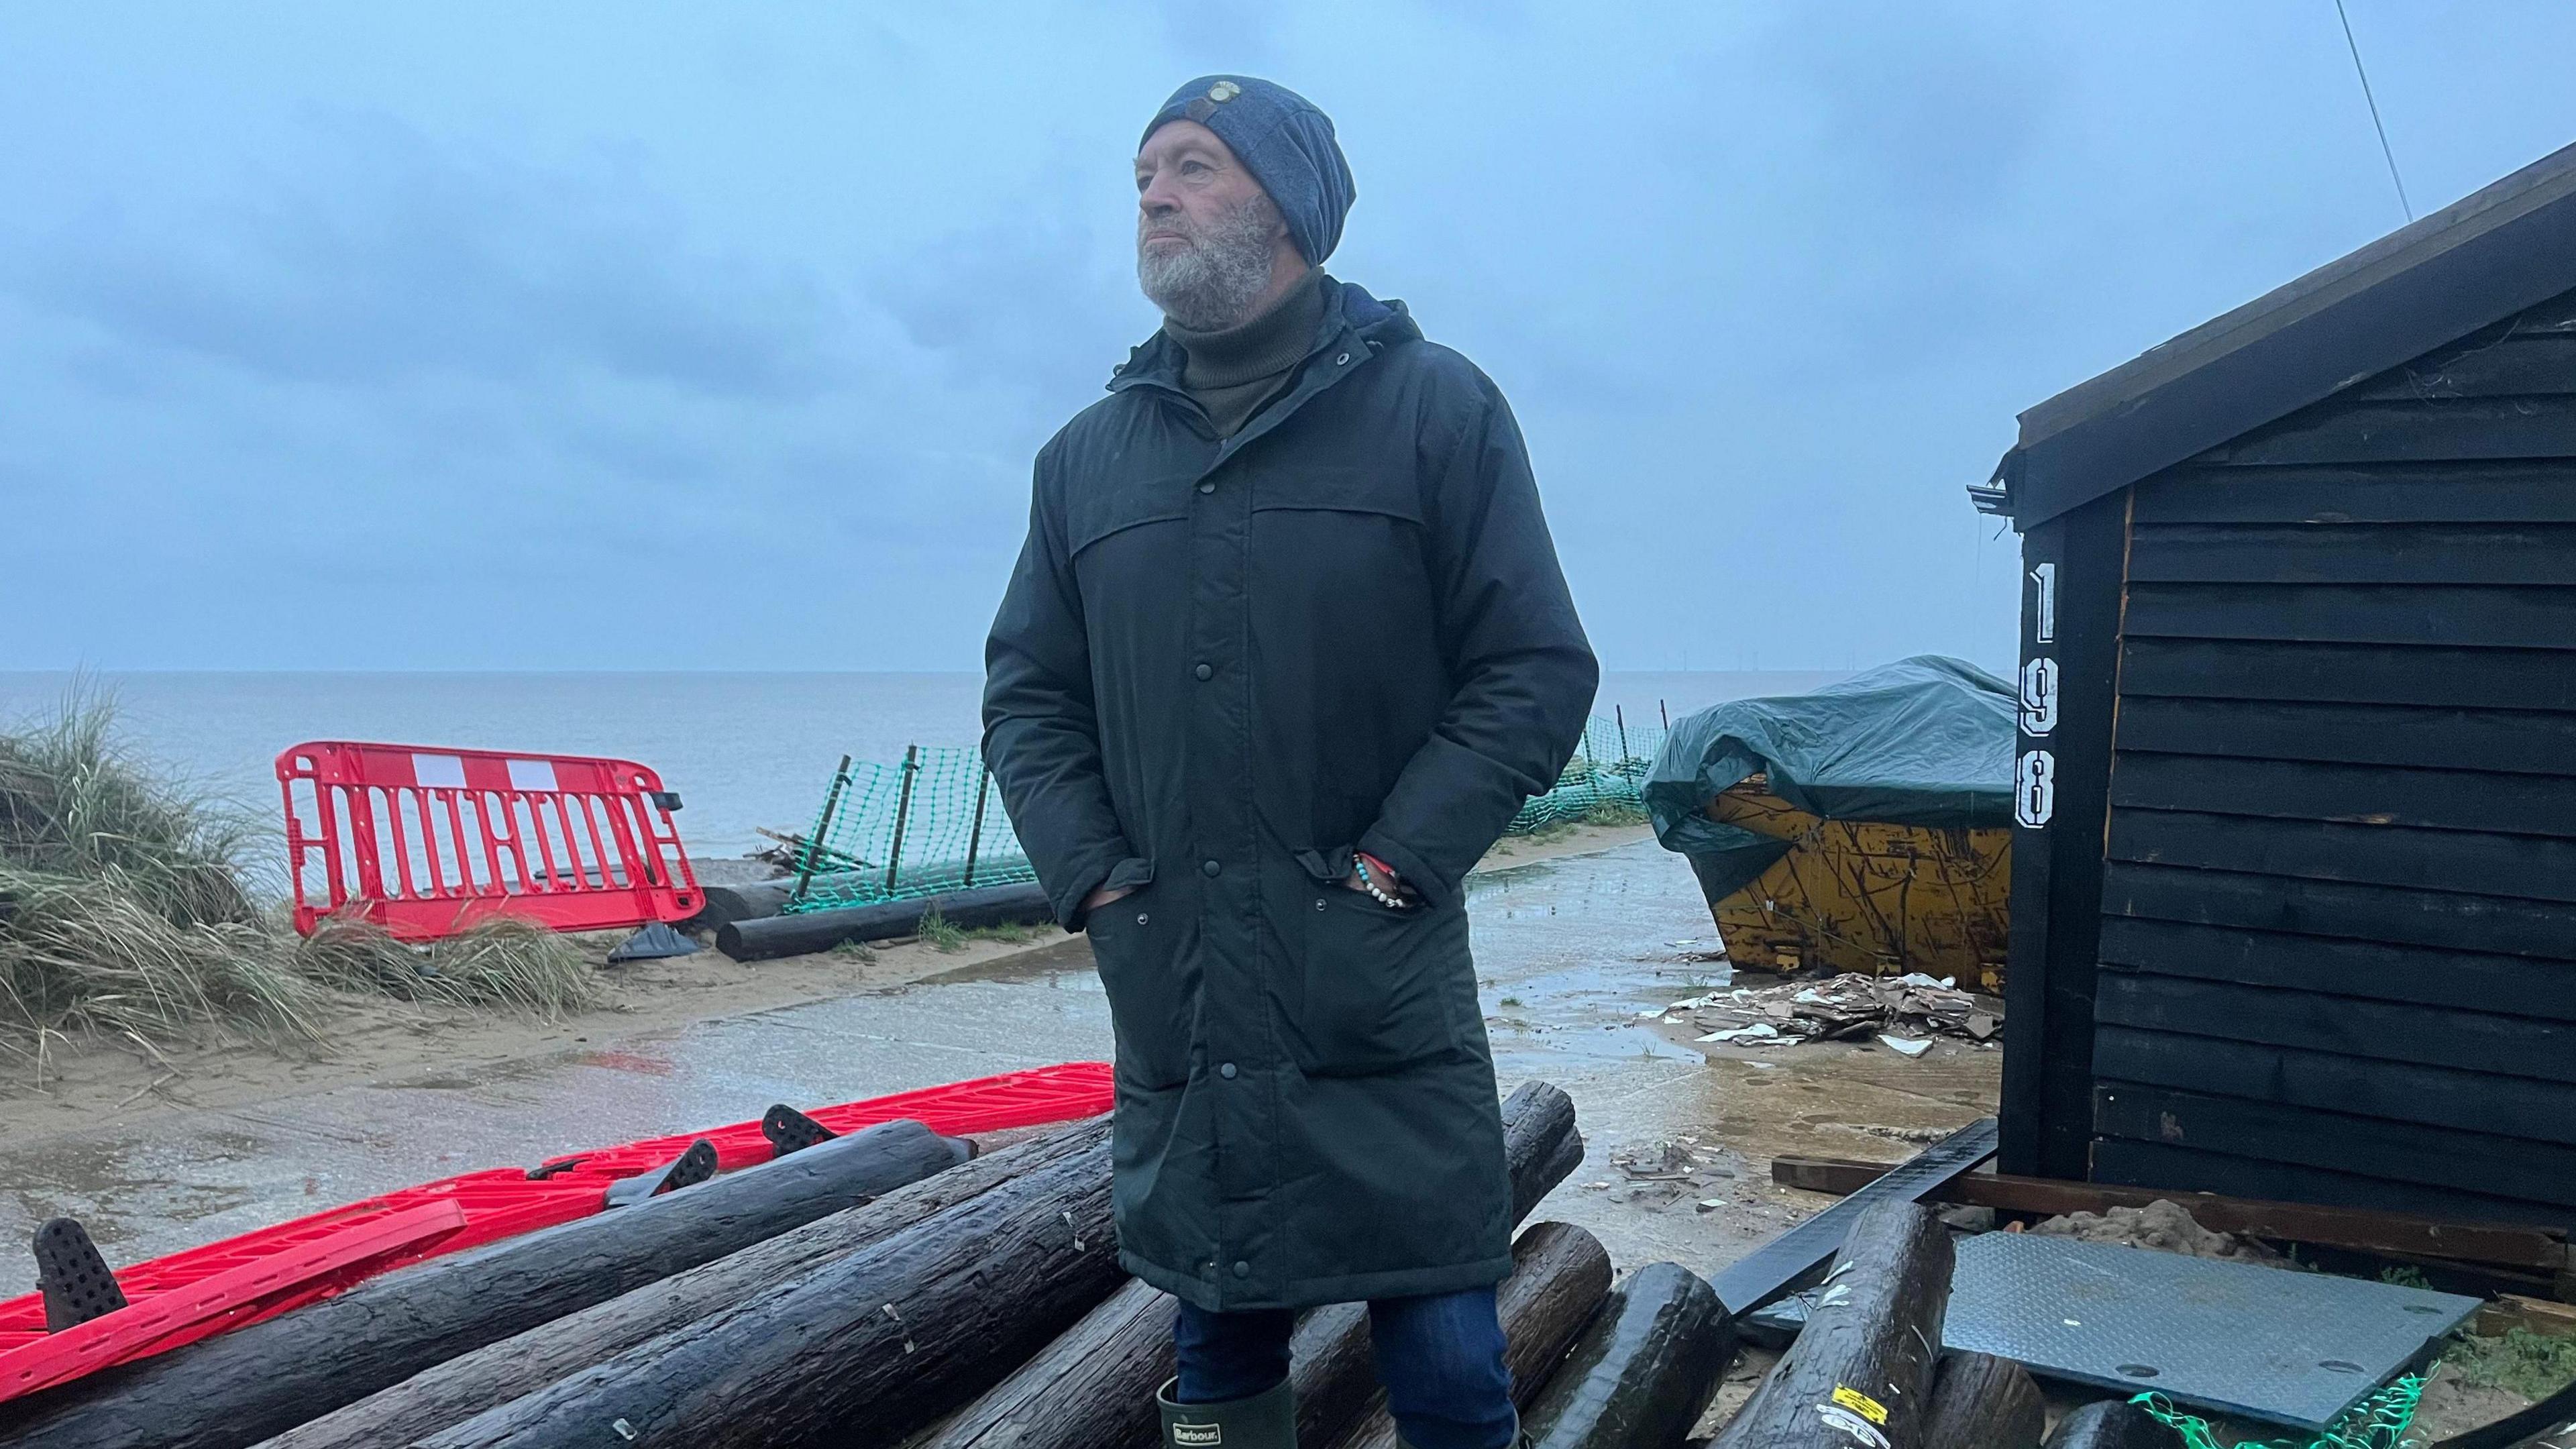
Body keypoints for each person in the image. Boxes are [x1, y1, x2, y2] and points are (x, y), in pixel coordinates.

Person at [982, 74, 1597, 1449]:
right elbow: (1028, 697)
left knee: (1445, 1355)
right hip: (1181, 983)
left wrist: (1392, 868)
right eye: (1143, 171)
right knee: (1217, 1343)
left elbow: (1535, 669)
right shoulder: (1085, 462)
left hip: (1375, 986)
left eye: (1194, 166)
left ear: (1290, 207)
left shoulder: (1437, 410)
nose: (1153, 196)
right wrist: (1098, 885)